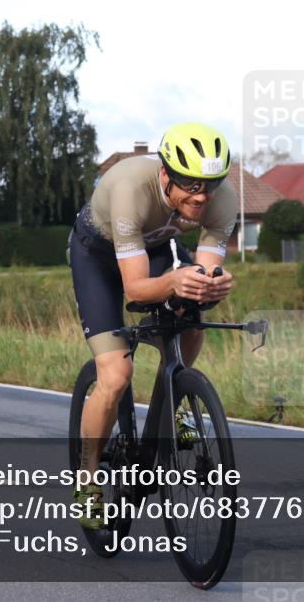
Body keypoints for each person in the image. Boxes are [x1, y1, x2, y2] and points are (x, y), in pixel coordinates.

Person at [67, 122, 238, 529]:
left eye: (209, 186)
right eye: (190, 186)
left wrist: (211, 286)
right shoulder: (129, 188)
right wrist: (173, 281)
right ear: (166, 175)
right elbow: (136, 289)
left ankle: (176, 404)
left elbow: (207, 268)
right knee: (116, 374)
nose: (200, 196)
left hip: (156, 248)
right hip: (100, 259)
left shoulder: (223, 200)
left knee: (192, 319)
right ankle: (87, 480)